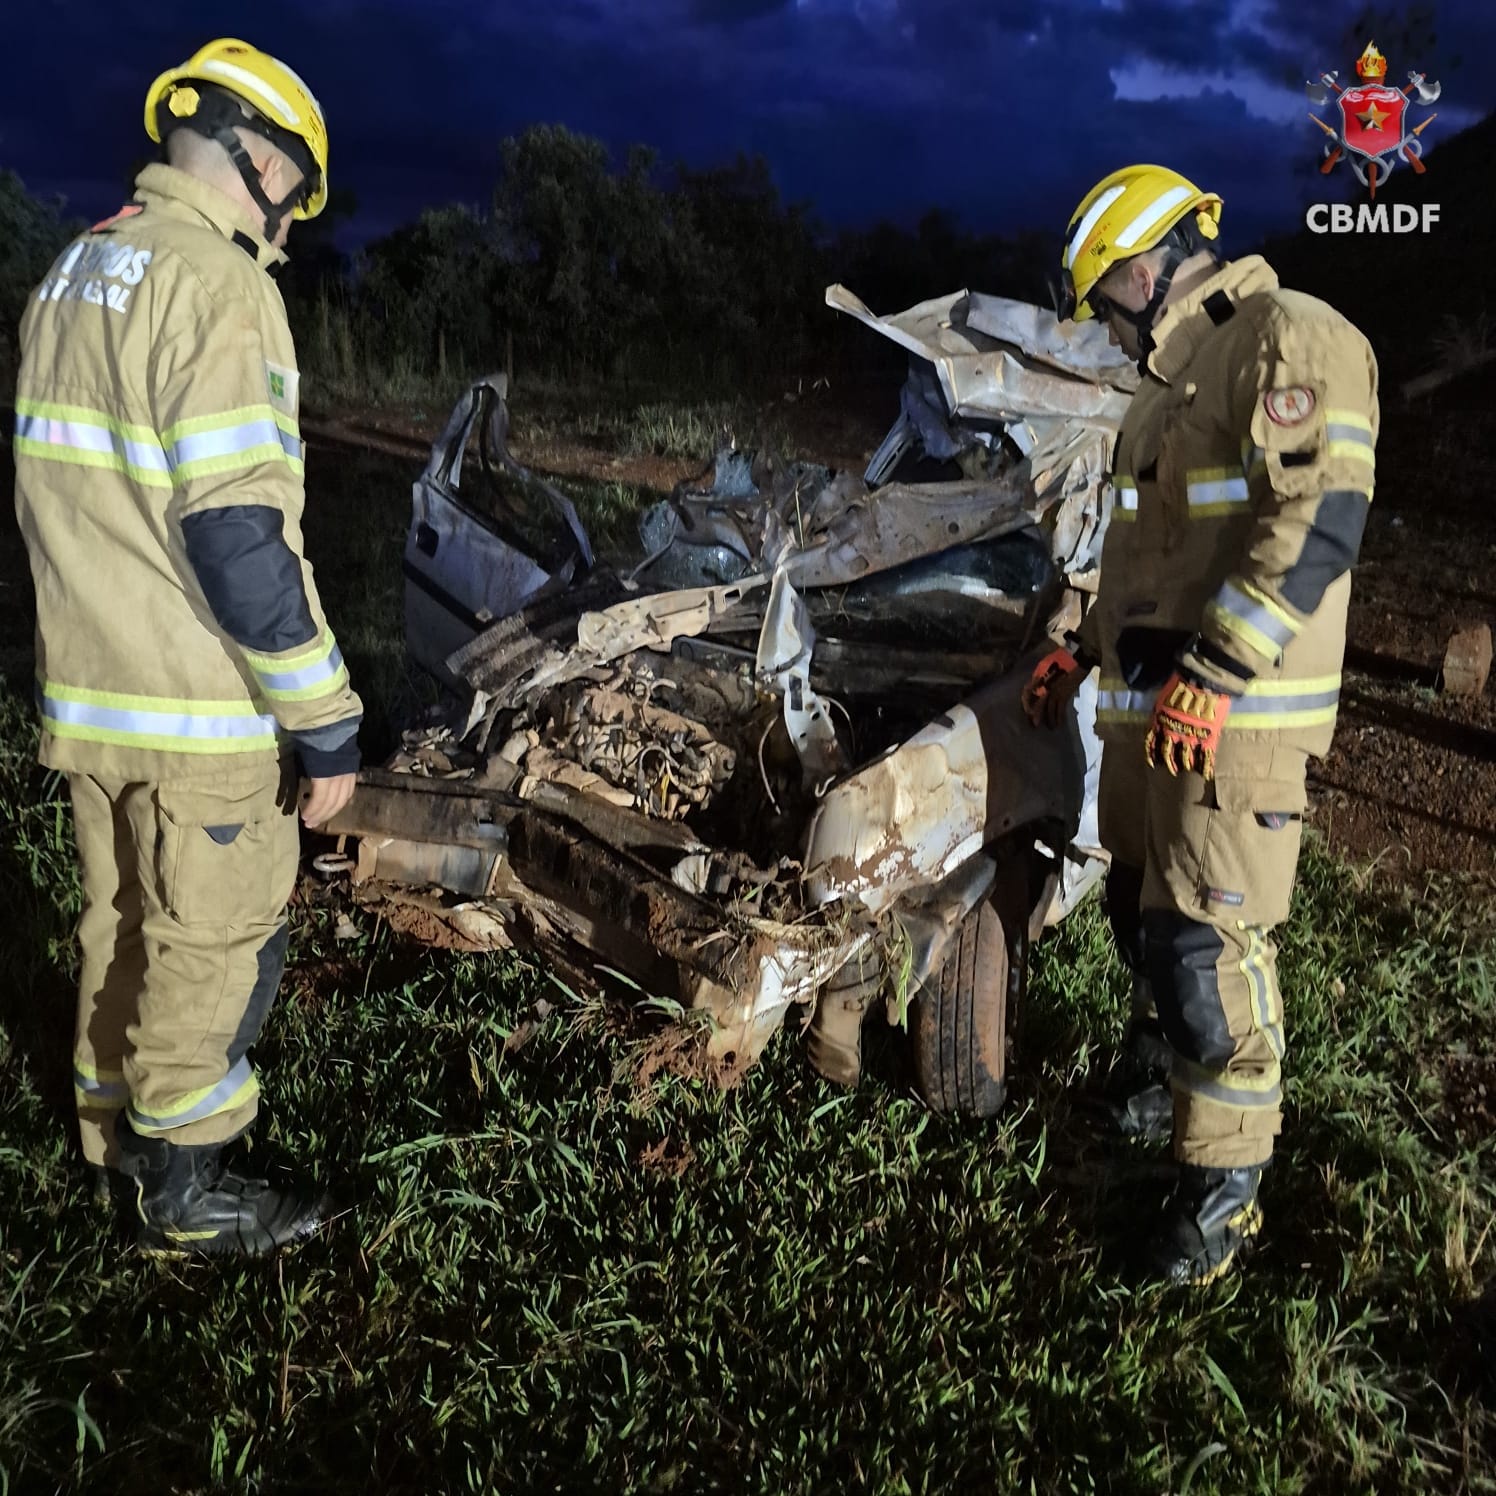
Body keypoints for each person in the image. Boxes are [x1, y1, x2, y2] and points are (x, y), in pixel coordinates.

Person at [12, 39, 362, 1256]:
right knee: (213, 938)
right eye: (294, 192)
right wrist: (323, 716)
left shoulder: (76, 269)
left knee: (117, 917)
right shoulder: (218, 286)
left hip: (90, 696)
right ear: (259, 158)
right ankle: (187, 1186)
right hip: (197, 710)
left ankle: (109, 1130)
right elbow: (236, 533)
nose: (290, 224)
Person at [1023, 164, 1378, 1284]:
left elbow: (1319, 516)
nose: (1105, 329)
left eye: (1103, 303)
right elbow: (1147, 564)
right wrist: (1077, 644)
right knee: (1142, 918)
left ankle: (1220, 1205)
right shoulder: (1164, 393)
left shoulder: (1285, 336)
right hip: (1156, 724)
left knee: (1202, 953)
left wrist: (1217, 670)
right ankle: (1150, 1090)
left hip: (1234, 723)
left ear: (1141, 269)